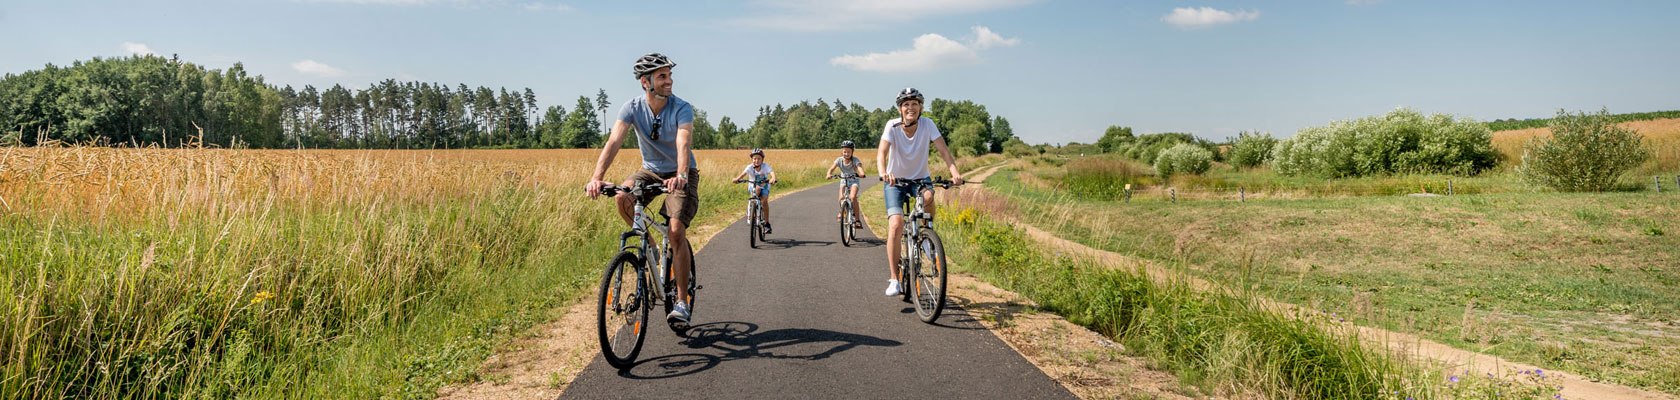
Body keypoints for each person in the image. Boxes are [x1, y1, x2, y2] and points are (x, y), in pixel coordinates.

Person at [583, 52, 700, 325]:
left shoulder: (682, 108)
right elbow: (614, 141)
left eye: (670, 75)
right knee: (622, 196)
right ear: (645, 83)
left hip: (680, 173)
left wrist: (681, 174)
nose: (669, 81)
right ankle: (647, 244)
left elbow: (683, 143)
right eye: (662, 76)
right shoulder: (632, 108)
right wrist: (597, 177)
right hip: (650, 171)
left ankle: (681, 302)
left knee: (675, 231)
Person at [877, 87, 964, 297]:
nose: (910, 108)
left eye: (914, 104)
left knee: (928, 196)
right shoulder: (892, 126)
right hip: (895, 181)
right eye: (906, 104)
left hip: (919, 178)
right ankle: (894, 279)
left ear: (920, 107)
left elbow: (943, 150)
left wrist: (955, 172)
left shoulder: (928, 124)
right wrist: (883, 172)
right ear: (900, 108)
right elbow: (882, 152)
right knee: (896, 224)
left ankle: (926, 236)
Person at [731, 148, 778, 234]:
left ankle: (767, 223)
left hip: (764, 186)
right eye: (754, 158)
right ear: (752, 159)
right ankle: (752, 212)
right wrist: (737, 179)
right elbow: (743, 174)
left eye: (759, 158)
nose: (756, 160)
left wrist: (773, 178)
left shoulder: (765, 166)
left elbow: (772, 173)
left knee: (764, 201)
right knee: (755, 192)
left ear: (762, 159)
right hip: (752, 185)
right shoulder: (749, 167)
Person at [825, 140, 866, 227]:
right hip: (843, 179)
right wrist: (829, 174)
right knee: (841, 197)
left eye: (848, 152)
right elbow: (831, 168)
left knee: (853, 197)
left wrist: (861, 173)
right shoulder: (839, 160)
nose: (846, 154)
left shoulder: (855, 160)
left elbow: (859, 167)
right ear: (842, 152)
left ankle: (857, 220)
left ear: (852, 152)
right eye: (844, 151)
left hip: (854, 180)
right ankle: (842, 210)